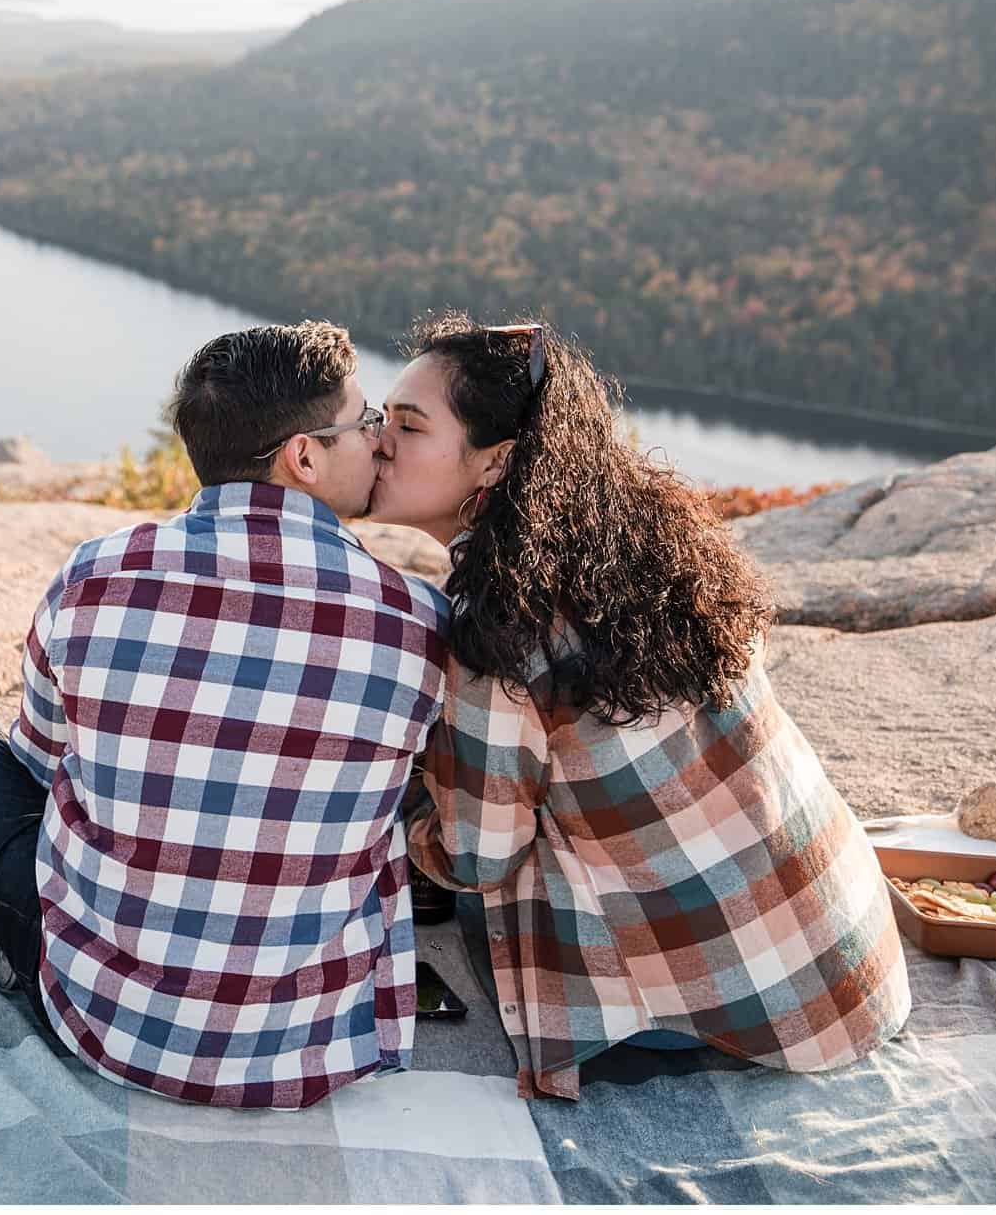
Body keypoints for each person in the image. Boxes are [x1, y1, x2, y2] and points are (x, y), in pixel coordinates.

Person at [0, 321, 450, 1109]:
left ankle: (7, 930)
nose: (380, 440)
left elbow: (41, 769)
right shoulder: (417, 621)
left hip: (110, 1023)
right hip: (307, 1048)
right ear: (305, 456)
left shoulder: (93, 576)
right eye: (365, 423)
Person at [366, 312, 911, 1101]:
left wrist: (402, 818)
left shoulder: (500, 627)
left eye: (409, 427)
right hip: (845, 958)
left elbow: (478, 858)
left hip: (757, 1018)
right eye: (383, 418)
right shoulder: (640, 538)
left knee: (461, 883)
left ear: (497, 463)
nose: (381, 440)